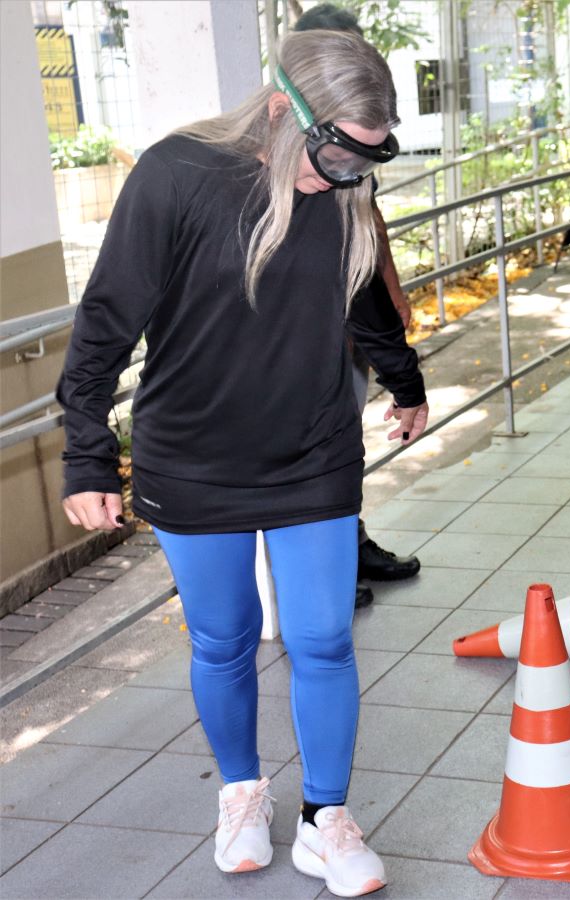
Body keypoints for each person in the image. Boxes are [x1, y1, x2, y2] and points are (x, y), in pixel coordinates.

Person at [56, 30, 429, 895]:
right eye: (336, 156)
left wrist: (406, 383)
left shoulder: (341, 188)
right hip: (193, 457)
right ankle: (241, 794)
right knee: (223, 640)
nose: (345, 178)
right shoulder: (176, 174)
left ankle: (326, 819)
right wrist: (86, 457)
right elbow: (105, 323)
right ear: (278, 113)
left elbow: (363, 293)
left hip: (314, 452)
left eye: (365, 162)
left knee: (323, 638)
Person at [293, 2, 419, 610]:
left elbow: (367, 218)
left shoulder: (361, 124)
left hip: (354, 318)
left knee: (344, 438)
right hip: (303, 331)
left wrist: (390, 293)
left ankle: (350, 542)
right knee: (311, 445)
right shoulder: (292, 139)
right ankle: (321, 568)